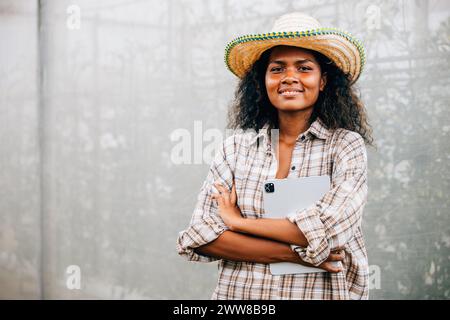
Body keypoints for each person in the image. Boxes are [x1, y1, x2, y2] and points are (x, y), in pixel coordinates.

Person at [177, 12, 374, 300]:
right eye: (277, 69)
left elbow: (331, 229)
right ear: (263, 81)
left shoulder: (344, 146)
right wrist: (295, 255)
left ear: (323, 82)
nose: (290, 77)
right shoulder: (235, 150)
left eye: (304, 68)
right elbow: (200, 235)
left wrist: (237, 223)